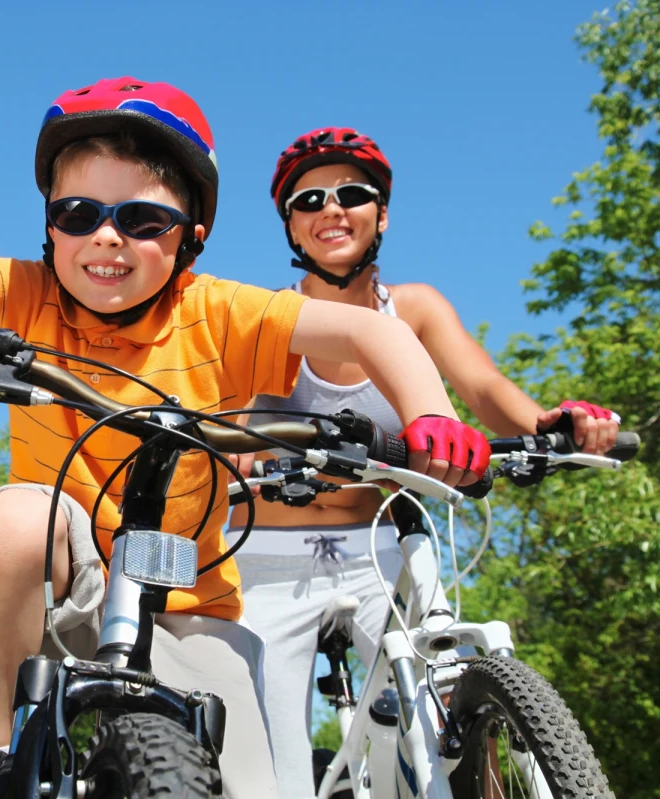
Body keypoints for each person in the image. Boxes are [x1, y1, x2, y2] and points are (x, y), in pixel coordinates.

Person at [0, 79, 492, 799]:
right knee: (14, 520)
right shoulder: (27, 292)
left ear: (191, 236)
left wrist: (431, 415)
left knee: (257, 790)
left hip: (189, 607)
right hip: (60, 586)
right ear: (50, 226)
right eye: (77, 214)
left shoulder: (221, 313)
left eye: (142, 219)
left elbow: (371, 331)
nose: (105, 237)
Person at [226, 126, 621, 799]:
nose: (331, 209)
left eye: (352, 194)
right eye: (309, 200)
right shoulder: (267, 317)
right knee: (271, 772)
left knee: (444, 713)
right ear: (290, 226)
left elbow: (485, 389)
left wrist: (552, 424)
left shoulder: (416, 309)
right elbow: (230, 429)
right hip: (270, 556)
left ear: (381, 214)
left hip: (383, 548)